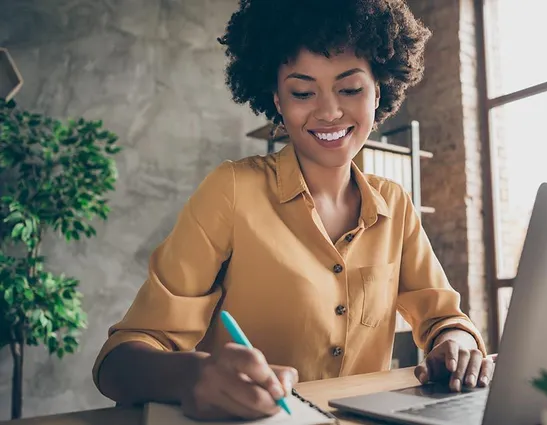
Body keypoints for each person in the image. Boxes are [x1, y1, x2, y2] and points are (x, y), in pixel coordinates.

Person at [91, 0, 493, 421]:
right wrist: (192, 375)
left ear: (381, 90)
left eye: (350, 88)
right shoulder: (231, 191)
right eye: (302, 92)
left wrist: (455, 342)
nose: (328, 111)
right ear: (277, 100)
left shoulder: (395, 203)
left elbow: (444, 317)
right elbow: (119, 363)